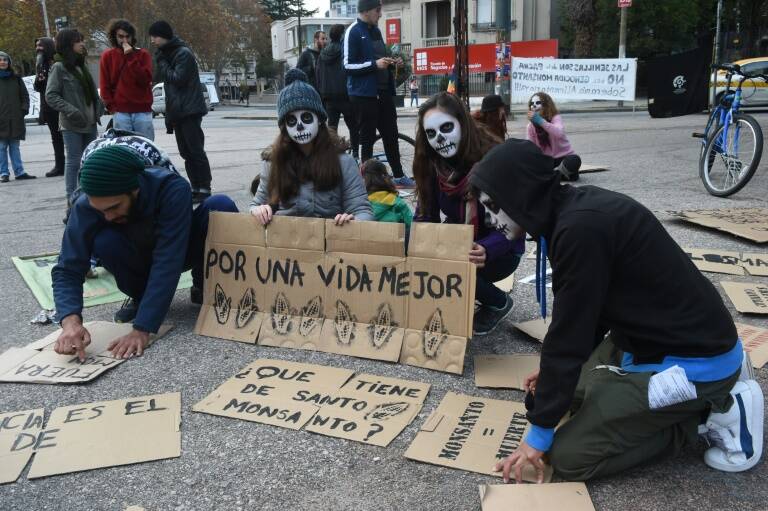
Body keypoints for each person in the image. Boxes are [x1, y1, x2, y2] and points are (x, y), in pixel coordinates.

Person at [470, 138, 763, 483]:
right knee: (557, 396)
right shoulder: (568, 214)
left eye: (492, 205)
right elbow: (587, 314)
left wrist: (536, 438)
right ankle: (704, 389)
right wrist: (553, 381)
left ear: (517, 193)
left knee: (566, 457)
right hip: (653, 338)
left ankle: (712, 414)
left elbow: (570, 334)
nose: (490, 219)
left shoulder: (579, 229)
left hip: (691, 361)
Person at [52, 144, 238, 360]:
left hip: (179, 250)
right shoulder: (86, 206)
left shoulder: (172, 188)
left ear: (135, 190)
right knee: (105, 241)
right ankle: (141, 296)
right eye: (101, 211)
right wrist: (70, 321)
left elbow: (168, 260)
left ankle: (204, 286)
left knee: (220, 205)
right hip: (135, 255)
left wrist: (142, 329)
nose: (109, 217)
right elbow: (67, 267)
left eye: (114, 207)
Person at [412, 92, 521, 335]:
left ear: (462, 124)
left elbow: (514, 223)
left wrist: (488, 248)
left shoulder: (493, 160)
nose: (439, 138)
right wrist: (417, 244)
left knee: (454, 260)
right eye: (431, 133)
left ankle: (498, 302)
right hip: (462, 238)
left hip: (502, 249)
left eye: (446, 127)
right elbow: (425, 214)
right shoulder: (431, 164)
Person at [250, 69, 373, 226]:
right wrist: (258, 210)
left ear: (319, 119)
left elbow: (363, 211)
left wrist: (353, 221)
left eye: (306, 117)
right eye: (292, 121)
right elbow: (256, 204)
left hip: (329, 244)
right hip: (284, 245)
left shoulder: (344, 162)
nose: (300, 126)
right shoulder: (273, 162)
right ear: (284, 127)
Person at [344, 0, 415, 187]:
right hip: (364, 96)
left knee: (391, 136)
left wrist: (392, 63)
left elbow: (378, 60)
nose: (380, 14)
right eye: (378, 10)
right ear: (366, 10)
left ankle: (399, 176)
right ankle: (367, 183)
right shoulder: (353, 31)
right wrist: (374, 65)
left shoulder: (375, 30)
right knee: (366, 140)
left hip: (383, 93)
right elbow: (347, 66)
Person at [149, 20, 212, 204]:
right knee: (186, 152)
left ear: (164, 35)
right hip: (178, 111)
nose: (152, 40)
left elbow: (178, 79)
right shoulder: (169, 53)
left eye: (155, 36)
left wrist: (162, 63)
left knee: (195, 151)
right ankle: (195, 187)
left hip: (189, 110)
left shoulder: (182, 53)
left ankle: (204, 187)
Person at [46, 29, 103, 205]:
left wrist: (99, 105)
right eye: (78, 41)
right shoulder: (59, 67)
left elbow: (92, 92)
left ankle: (87, 197)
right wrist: (71, 110)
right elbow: (51, 95)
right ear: (69, 44)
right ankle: (72, 200)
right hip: (72, 124)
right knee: (73, 161)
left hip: (90, 121)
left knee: (89, 162)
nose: (82, 44)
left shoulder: (81, 65)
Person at [99, 19, 154, 140]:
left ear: (132, 37)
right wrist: (112, 108)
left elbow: (145, 80)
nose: (124, 40)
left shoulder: (143, 55)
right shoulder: (107, 56)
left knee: (145, 147)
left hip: (142, 111)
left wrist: (130, 56)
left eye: (127, 37)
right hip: (121, 112)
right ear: (114, 36)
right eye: (120, 36)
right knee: (124, 150)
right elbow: (104, 85)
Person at [316, 24, 359, 160]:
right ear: (341, 36)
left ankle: (332, 155)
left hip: (328, 96)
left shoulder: (322, 53)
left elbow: (318, 74)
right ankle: (356, 154)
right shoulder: (344, 51)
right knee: (353, 126)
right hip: (345, 94)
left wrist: (322, 92)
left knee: (332, 127)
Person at [526, 92, 580, 182]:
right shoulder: (530, 126)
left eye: (538, 103)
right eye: (532, 104)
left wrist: (540, 121)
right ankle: (557, 175)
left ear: (546, 105)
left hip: (562, 159)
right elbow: (530, 147)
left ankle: (552, 175)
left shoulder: (556, 118)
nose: (534, 106)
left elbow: (558, 133)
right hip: (546, 161)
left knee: (574, 160)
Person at [0, 51, 35, 184]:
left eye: (5, 60)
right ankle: (4, 173)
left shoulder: (16, 78)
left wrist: (23, 110)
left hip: (15, 119)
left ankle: (19, 172)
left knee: (15, 147)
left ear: (9, 62)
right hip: (1, 120)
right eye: (0, 60)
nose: (2, 62)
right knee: (1, 147)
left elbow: (25, 96)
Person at [34, 37, 65, 178]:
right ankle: (60, 165)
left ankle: (73, 163)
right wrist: (39, 77)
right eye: (36, 47)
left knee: (68, 136)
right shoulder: (41, 64)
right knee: (56, 137)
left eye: (40, 46)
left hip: (60, 105)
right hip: (48, 107)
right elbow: (38, 87)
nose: (38, 49)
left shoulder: (57, 63)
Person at [362, 159, 412, 228]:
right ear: (385, 178)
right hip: (394, 237)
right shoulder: (397, 202)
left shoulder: (359, 203)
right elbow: (411, 225)